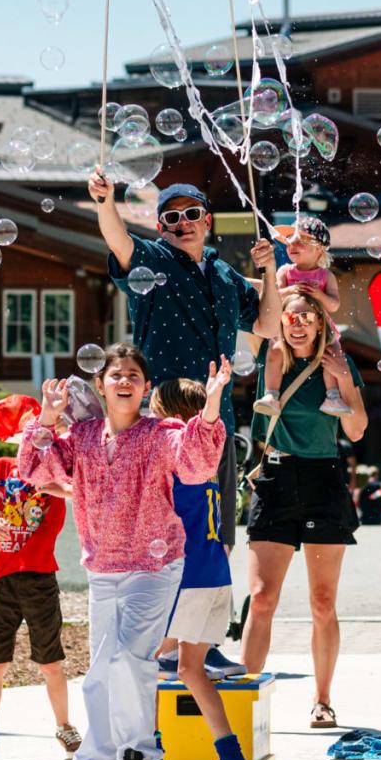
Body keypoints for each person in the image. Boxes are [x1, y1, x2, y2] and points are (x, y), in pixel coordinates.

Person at [19, 344, 228, 760]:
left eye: (134, 375)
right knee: (100, 668)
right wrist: (48, 418)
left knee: (130, 658)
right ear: (100, 385)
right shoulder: (84, 436)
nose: (125, 381)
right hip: (104, 567)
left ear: (146, 386)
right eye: (116, 375)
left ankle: (141, 756)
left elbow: (197, 464)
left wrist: (210, 409)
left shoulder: (162, 433)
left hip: (154, 566)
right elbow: (35, 470)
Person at [89, 174, 279, 555]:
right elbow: (118, 240)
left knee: (218, 537)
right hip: (164, 426)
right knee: (164, 537)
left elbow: (269, 324)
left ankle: (215, 611)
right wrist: (104, 201)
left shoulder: (224, 274)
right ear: (161, 228)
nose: (183, 223)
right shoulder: (153, 260)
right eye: (172, 218)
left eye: (192, 214)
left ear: (207, 221)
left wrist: (270, 271)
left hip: (216, 422)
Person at [237, 291, 368, 730]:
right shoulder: (269, 357)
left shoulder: (337, 365)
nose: (296, 324)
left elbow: (357, 428)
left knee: (322, 601)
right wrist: (268, 270)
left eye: (306, 317)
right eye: (290, 317)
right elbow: (262, 305)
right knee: (261, 597)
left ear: (319, 324)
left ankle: (323, 699)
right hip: (275, 478)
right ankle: (245, 694)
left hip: (323, 479)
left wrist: (344, 381)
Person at [0, 394, 80, 760]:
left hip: (41, 576)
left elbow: (78, 489)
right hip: (4, 578)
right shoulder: (1, 468)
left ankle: (65, 727)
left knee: (51, 661)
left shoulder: (55, 468)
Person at [149, 378, 255, 760]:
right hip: (215, 577)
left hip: (186, 578)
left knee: (146, 662)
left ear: (174, 417)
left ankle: (150, 755)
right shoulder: (202, 465)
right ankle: (232, 759)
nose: (150, 418)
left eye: (155, 410)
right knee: (190, 669)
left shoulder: (177, 461)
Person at [255, 216, 347, 418]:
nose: (291, 245)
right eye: (289, 242)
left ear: (318, 248)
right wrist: (290, 290)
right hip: (288, 324)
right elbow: (272, 295)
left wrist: (319, 295)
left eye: (300, 241)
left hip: (319, 327)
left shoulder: (325, 276)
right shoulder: (285, 271)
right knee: (274, 350)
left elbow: (334, 304)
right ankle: (271, 395)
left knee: (332, 353)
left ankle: (332, 396)